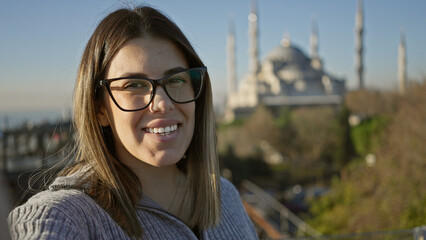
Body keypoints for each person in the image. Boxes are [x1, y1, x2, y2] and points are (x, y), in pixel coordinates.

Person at [8, 6, 258, 240]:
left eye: (176, 79)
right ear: (100, 111)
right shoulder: (71, 216)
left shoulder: (224, 196)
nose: (161, 103)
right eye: (133, 85)